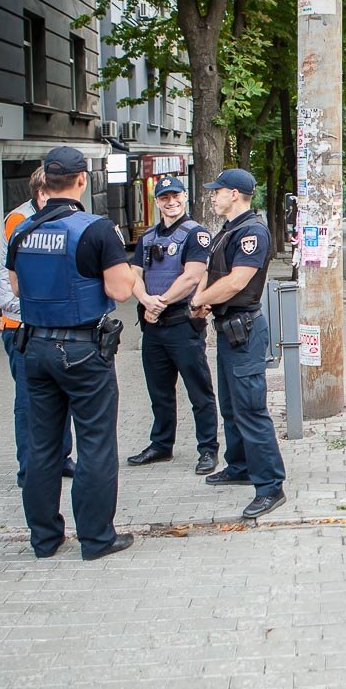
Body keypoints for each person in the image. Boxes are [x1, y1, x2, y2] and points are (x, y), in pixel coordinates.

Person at [6, 146, 137, 561]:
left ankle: (44, 540)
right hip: (82, 351)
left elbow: (15, 289)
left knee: (43, 447)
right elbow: (120, 290)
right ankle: (97, 539)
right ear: (83, 180)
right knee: (95, 443)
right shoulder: (97, 230)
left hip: (35, 347)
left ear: (45, 181)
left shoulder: (23, 230)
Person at [189, 168, 287, 519]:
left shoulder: (252, 232)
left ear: (234, 194)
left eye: (217, 191)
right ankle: (241, 465)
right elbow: (209, 274)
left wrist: (200, 302)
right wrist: (199, 299)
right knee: (231, 405)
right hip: (228, 328)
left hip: (244, 329)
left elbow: (235, 283)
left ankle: (271, 485)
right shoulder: (227, 230)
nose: (213, 196)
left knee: (250, 409)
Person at [126, 176, 219, 474]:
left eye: (175, 195)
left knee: (199, 391)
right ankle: (161, 445)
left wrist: (160, 302)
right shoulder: (148, 237)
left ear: (184, 197)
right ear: (157, 201)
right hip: (153, 326)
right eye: (164, 197)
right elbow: (133, 274)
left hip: (182, 323)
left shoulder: (196, 235)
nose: (171, 201)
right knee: (159, 392)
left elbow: (192, 276)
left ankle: (208, 449)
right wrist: (144, 299)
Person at [0, 168, 75, 488]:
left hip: (51, 325)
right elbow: (13, 291)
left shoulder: (60, 218)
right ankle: (29, 468)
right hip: (22, 327)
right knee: (30, 401)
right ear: (43, 193)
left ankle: (60, 458)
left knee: (61, 394)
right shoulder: (21, 223)